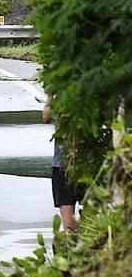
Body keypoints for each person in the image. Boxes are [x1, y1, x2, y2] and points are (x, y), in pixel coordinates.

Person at [43, 99, 84, 231]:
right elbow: (46, 117)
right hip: (64, 165)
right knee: (70, 223)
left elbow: (46, 116)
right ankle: (72, 243)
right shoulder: (61, 92)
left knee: (88, 217)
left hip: (85, 164)